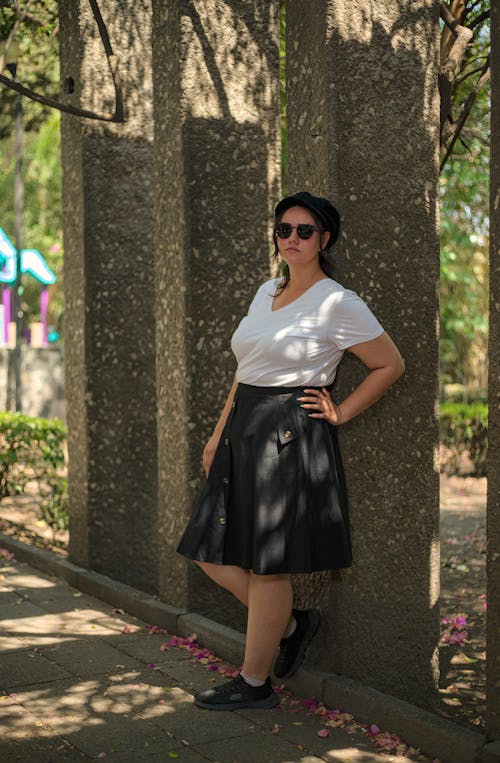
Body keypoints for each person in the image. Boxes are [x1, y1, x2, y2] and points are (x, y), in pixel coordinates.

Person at [177, 191, 405, 711]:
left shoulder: (338, 301)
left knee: (267, 566)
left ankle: (255, 683)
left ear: (325, 238)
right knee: (208, 552)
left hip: (288, 433)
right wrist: (218, 434)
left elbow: (390, 364)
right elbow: (246, 370)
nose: (293, 239)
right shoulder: (267, 291)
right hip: (243, 428)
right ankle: (293, 622)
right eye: (285, 230)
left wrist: (341, 412)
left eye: (305, 230)